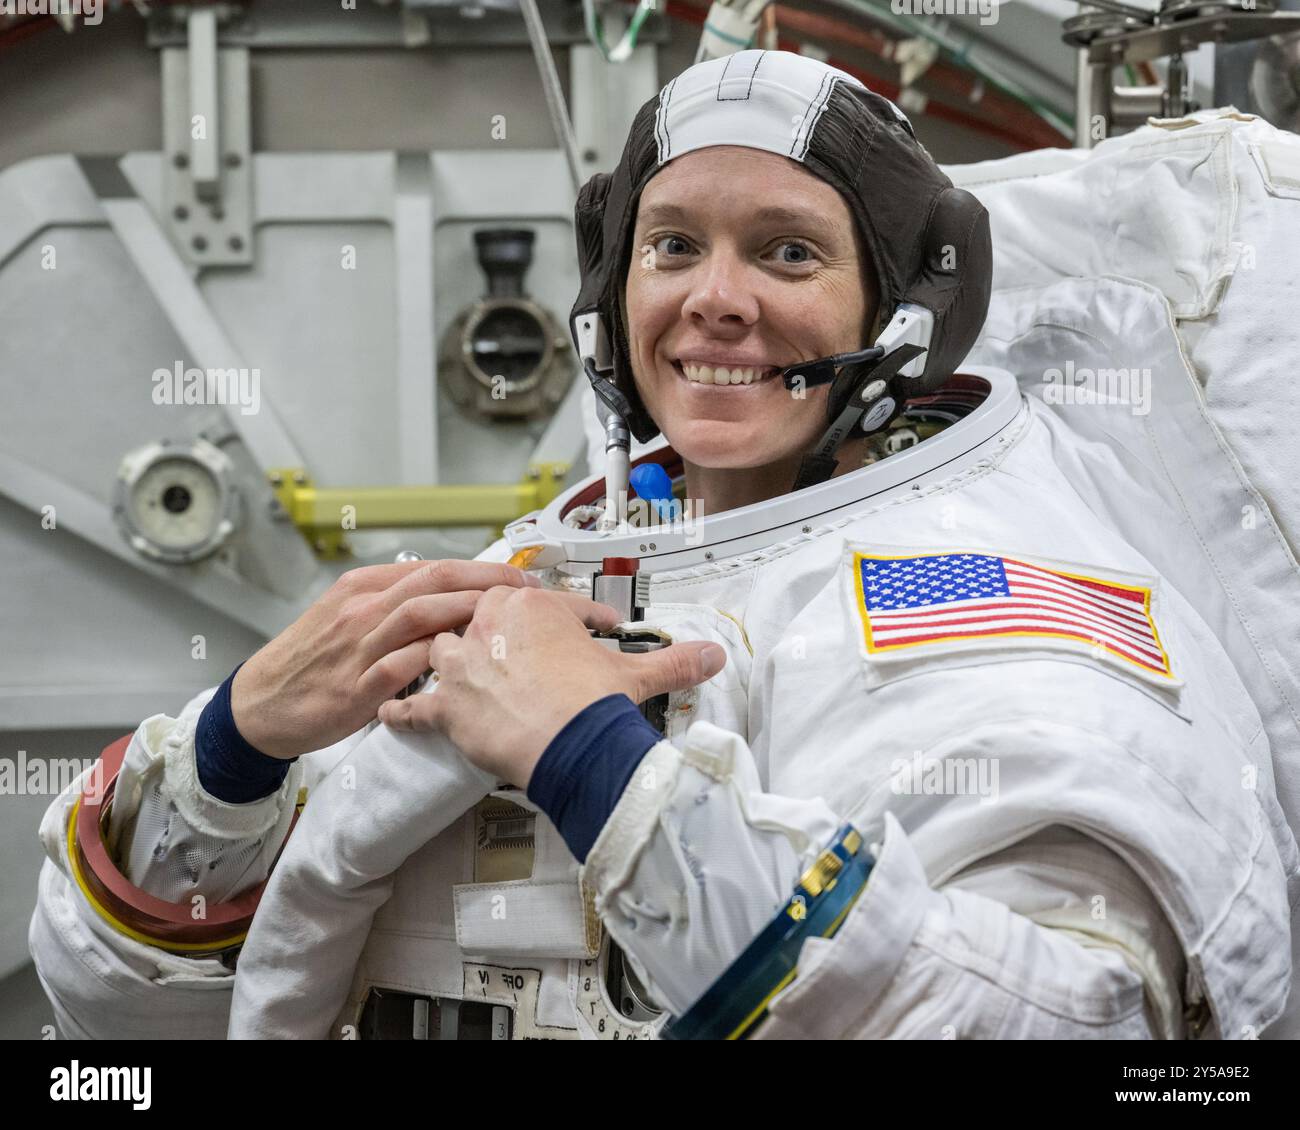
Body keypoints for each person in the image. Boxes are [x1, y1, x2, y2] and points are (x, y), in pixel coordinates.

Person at [30, 49, 1294, 1041]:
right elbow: (128, 1025)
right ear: (610, 294)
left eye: (786, 250)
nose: (714, 298)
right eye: (672, 243)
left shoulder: (1003, 606)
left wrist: (597, 767)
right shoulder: (530, 581)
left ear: (902, 312)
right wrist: (230, 751)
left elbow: (1072, 1013)